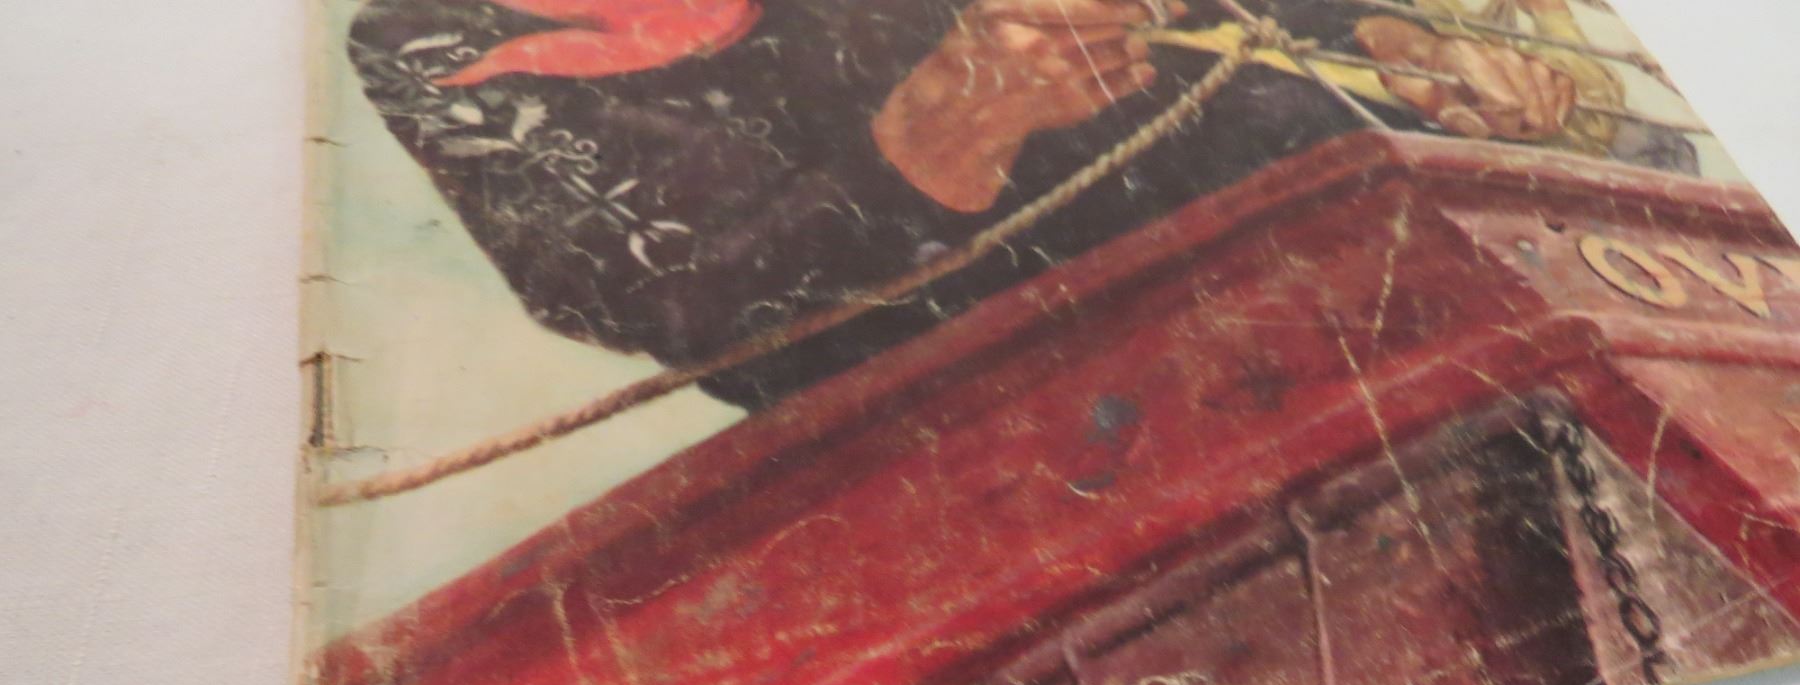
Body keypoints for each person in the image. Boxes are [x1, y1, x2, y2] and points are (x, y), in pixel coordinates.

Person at [345, 0, 1652, 408]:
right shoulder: (428, 41)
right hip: (1016, 422)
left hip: (1362, 262)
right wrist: (928, 147)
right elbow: (692, 324)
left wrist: (1395, 43)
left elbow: (1232, 25)